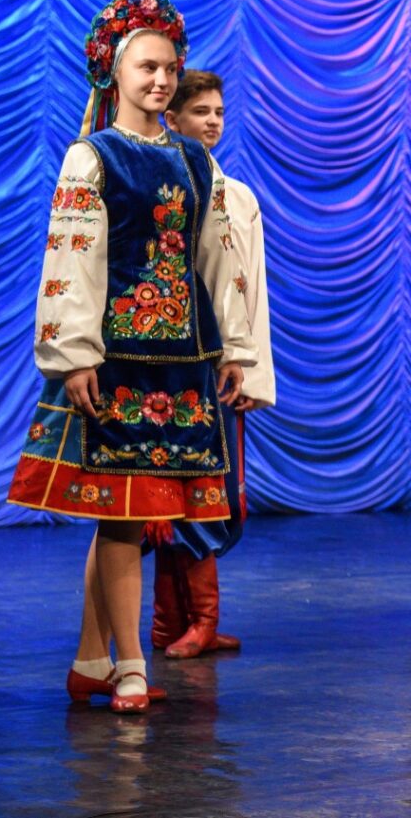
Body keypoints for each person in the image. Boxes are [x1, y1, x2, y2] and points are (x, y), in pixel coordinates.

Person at [8, 0, 253, 713]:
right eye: (148, 67)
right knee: (121, 515)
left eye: (170, 68)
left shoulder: (194, 160)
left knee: (134, 511)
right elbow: (73, 259)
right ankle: (132, 665)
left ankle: (92, 658)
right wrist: (75, 354)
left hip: (180, 361)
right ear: (114, 73)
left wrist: (233, 347)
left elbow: (218, 259)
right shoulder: (93, 156)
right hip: (114, 360)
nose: (162, 80)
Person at [145, 70, 276, 659]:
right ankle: (170, 623)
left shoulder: (237, 196)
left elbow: (251, 292)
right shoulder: (158, 189)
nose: (214, 121)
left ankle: (199, 619)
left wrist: (250, 367)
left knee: (213, 490)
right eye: (201, 112)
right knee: (171, 492)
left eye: (219, 111)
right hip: (175, 360)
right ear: (171, 119)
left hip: (221, 364)